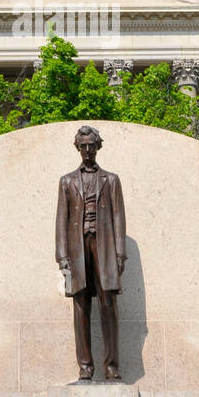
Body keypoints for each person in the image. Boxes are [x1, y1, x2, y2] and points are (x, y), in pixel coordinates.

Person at [55, 125, 126, 381]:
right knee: (80, 307)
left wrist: (120, 255)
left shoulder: (111, 180)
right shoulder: (67, 181)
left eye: (91, 145)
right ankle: (85, 368)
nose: (87, 150)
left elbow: (119, 218)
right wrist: (62, 257)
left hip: (105, 247)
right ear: (78, 147)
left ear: (98, 147)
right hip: (77, 250)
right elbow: (61, 221)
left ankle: (112, 367)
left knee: (109, 305)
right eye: (82, 145)